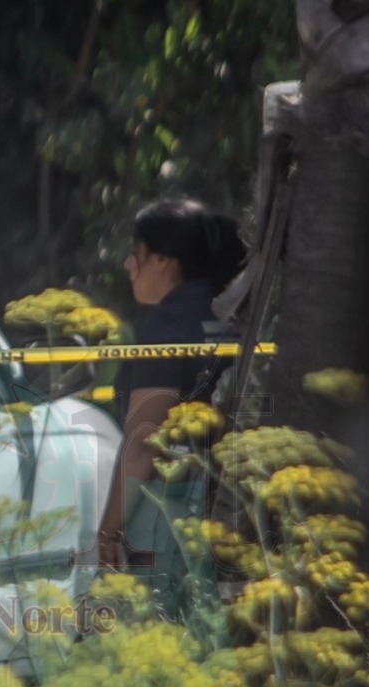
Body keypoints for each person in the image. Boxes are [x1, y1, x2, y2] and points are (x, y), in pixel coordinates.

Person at [96, 198, 247, 610]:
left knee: (152, 633)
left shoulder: (167, 327)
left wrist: (108, 531)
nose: (129, 265)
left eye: (136, 254)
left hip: (169, 507)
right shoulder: (231, 317)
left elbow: (145, 441)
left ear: (162, 260)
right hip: (233, 505)